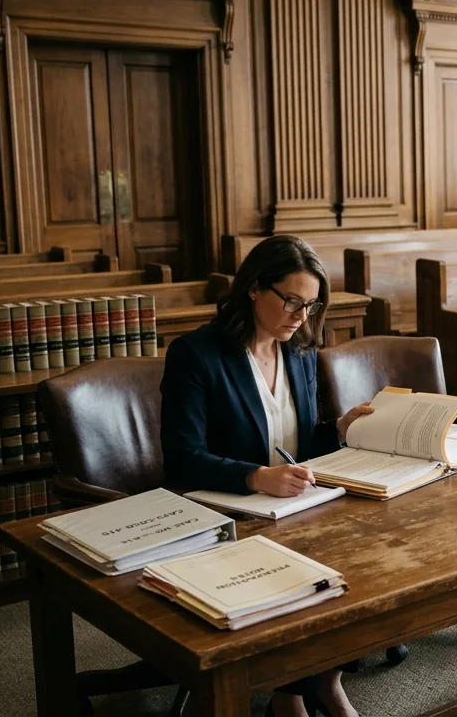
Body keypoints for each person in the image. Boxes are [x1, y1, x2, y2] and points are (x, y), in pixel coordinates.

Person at [161, 235, 371, 717]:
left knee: (367, 547)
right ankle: (305, 692)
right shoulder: (197, 354)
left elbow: (294, 445)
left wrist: (338, 430)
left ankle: (306, 685)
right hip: (226, 511)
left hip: (291, 506)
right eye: (292, 301)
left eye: (311, 305)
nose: (301, 316)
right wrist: (257, 477)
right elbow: (182, 458)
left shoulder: (297, 351)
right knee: (313, 563)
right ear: (254, 289)